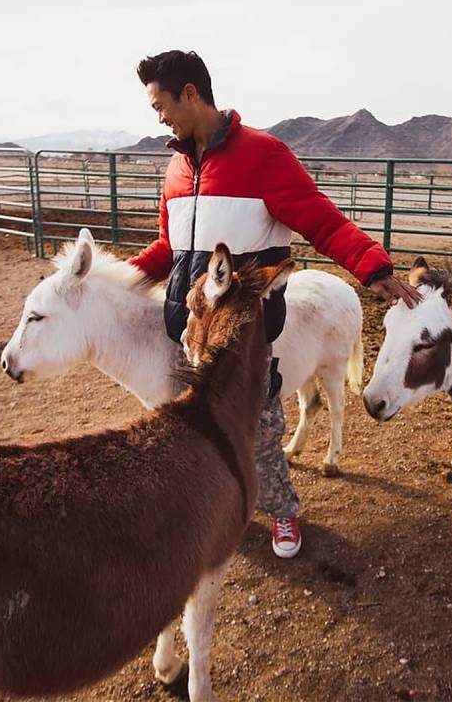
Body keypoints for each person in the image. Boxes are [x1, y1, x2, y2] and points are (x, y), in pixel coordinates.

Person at [129, 50, 419, 558]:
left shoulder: (264, 155)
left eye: (160, 104)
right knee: (192, 428)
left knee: (261, 429)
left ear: (191, 94)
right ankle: (214, 509)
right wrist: (110, 281)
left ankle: (283, 512)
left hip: (245, 339)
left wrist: (373, 266)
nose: (158, 116)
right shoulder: (176, 169)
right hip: (187, 332)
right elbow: (168, 249)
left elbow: (323, 221)